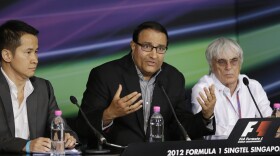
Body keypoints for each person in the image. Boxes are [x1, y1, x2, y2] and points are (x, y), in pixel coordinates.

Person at [76, 21, 215, 148]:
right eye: (147, 47)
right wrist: (108, 114)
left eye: (160, 48)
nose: (154, 55)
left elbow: (181, 127)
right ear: (133, 46)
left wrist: (205, 117)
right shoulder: (105, 74)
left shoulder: (174, 78)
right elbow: (82, 126)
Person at [0, 20, 78, 153]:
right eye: (28, 52)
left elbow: (60, 124)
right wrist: (27, 145)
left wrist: (67, 137)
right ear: (7, 55)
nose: (35, 59)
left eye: (36, 51)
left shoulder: (43, 87)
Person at [191, 37, 273, 140]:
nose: (228, 67)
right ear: (211, 65)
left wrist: (274, 122)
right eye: (221, 62)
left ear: (240, 63)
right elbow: (203, 132)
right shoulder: (203, 89)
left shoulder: (252, 86)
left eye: (234, 61)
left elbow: (269, 122)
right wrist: (207, 116)